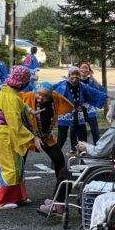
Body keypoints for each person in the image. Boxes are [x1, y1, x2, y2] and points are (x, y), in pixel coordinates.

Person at [18, 82, 74, 213]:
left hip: (46, 136)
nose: (40, 98)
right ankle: (17, 195)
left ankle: (61, 192)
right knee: (19, 162)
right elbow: (12, 100)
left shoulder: (55, 97)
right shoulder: (27, 96)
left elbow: (69, 106)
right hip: (28, 136)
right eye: (38, 94)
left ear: (51, 95)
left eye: (44, 96)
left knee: (59, 159)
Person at [0, 65, 37, 210]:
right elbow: (15, 124)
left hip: (6, 132)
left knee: (17, 165)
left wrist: (29, 110)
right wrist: (32, 138)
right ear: (25, 83)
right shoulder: (11, 96)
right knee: (9, 167)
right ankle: (1, 201)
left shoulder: (9, 92)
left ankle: (18, 197)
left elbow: (20, 105)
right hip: (5, 134)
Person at [54, 66, 108, 155]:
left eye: (77, 75)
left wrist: (104, 96)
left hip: (78, 115)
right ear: (68, 75)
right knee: (61, 138)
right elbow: (51, 90)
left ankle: (82, 158)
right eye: (72, 75)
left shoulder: (82, 85)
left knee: (83, 137)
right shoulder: (63, 85)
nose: (75, 77)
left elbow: (93, 92)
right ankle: (55, 159)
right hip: (64, 115)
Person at [78, 61, 104, 144]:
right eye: (82, 67)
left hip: (90, 110)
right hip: (79, 110)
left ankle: (97, 149)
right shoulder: (75, 80)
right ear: (79, 70)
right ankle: (81, 150)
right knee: (81, 133)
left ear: (89, 71)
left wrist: (92, 77)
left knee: (95, 132)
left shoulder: (91, 82)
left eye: (86, 68)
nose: (84, 69)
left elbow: (101, 90)